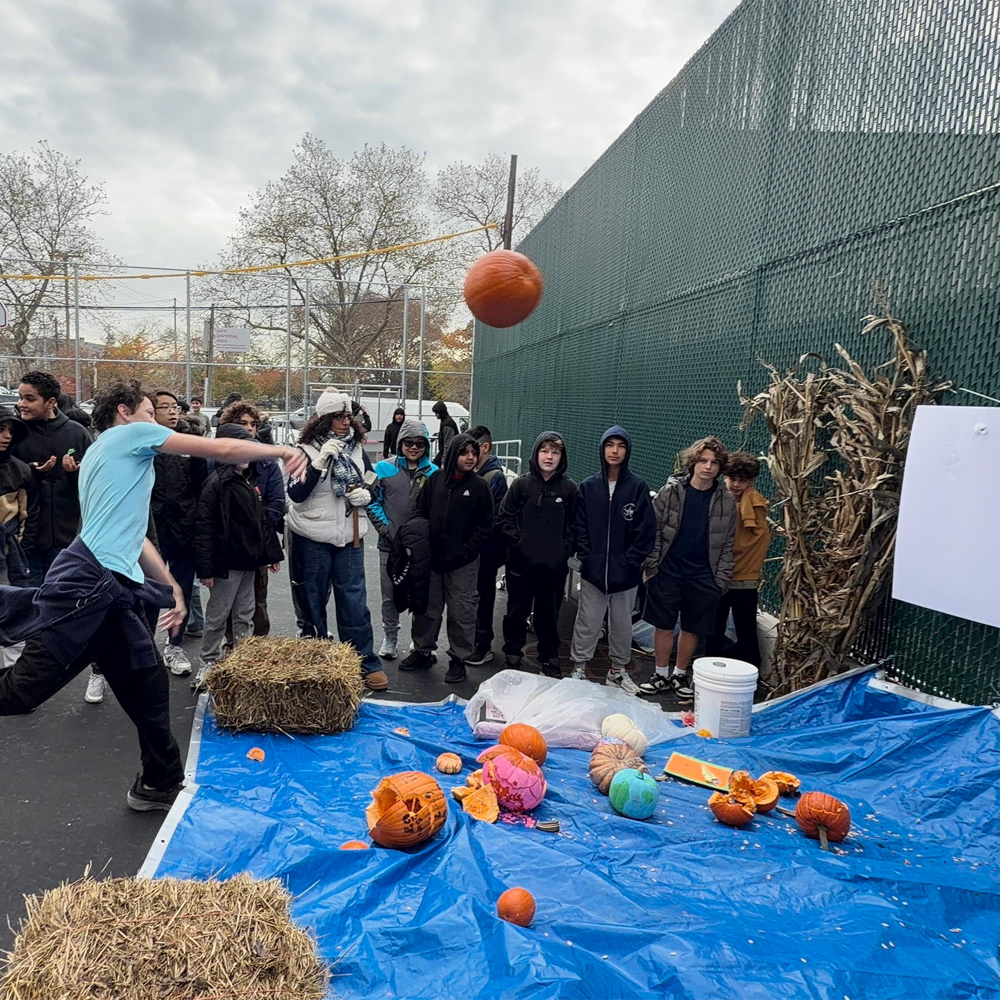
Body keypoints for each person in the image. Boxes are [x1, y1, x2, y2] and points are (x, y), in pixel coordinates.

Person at [0, 378, 308, 811]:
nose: (158, 420)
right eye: (149, 411)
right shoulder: (128, 434)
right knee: (17, 694)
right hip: (89, 584)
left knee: (147, 683)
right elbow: (219, 449)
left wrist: (171, 588)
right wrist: (280, 451)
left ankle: (158, 784)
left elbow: (137, 537)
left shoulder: (103, 457)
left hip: (114, 591)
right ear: (126, 412)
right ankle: (159, 781)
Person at [286, 389, 387, 691]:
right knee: (311, 599)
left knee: (354, 598)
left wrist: (367, 494)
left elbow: (372, 480)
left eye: (348, 416)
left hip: (350, 535)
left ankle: (363, 660)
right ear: (324, 420)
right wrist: (318, 466)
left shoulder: (357, 448)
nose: (346, 422)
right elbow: (295, 493)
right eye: (339, 417)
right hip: (311, 535)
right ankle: (315, 660)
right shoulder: (303, 450)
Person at [637, 437, 736, 701]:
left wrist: (720, 580)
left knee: (692, 628)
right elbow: (653, 529)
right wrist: (652, 565)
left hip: (704, 575)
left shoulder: (726, 501)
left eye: (714, 463)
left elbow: (727, 542)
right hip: (667, 570)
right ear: (693, 462)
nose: (708, 467)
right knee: (663, 624)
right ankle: (660, 673)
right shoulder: (671, 492)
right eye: (703, 461)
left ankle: (680, 674)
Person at [192, 424, 285, 688]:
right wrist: (206, 570)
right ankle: (208, 662)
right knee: (218, 615)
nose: (244, 455)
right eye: (237, 449)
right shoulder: (216, 485)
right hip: (226, 564)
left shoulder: (251, 481)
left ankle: (240, 660)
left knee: (245, 613)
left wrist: (270, 554)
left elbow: (262, 522)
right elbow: (205, 529)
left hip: (250, 562)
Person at [398, 433, 493, 684]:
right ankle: (422, 651)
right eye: (464, 453)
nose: (470, 458)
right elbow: (419, 511)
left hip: (463, 562)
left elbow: (486, 527)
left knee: (462, 610)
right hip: (432, 560)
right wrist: (422, 543)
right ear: (452, 454)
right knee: (427, 607)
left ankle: (458, 659)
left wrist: (465, 552)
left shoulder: (480, 487)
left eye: (473, 453)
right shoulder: (435, 480)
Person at [569, 426, 655, 694]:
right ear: (602, 449)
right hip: (594, 571)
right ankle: (579, 669)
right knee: (588, 620)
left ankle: (617, 671)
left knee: (621, 623)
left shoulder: (637, 487)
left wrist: (631, 561)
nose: (615, 451)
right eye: (610, 445)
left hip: (625, 574)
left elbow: (646, 530)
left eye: (621, 446)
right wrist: (587, 557)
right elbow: (579, 526)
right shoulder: (589, 486)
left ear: (627, 451)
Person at [499, 431, 577, 677]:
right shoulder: (521, 485)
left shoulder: (569, 489)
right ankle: (513, 651)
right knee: (516, 611)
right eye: (545, 451)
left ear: (561, 457)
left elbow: (576, 526)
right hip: (520, 565)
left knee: (548, 614)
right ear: (536, 454)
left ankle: (550, 656)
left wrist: (564, 550)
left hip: (553, 568)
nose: (549, 457)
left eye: (555, 452)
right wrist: (519, 544)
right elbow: (505, 518)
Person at [147, 388, 206, 677]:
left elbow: (201, 486)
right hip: (151, 532)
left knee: (179, 589)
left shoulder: (189, 442)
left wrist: (194, 518)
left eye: (175, 407)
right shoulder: (143, 443)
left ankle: (174, 645)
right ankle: (145, 648)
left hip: (185, 529)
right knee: (148, 592)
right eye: (165, 407)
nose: (173, 412)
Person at [367, 419, 437, 660]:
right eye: (409, 442)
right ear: (400, 443)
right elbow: (372, 502)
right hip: (389, 544)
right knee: (390, 595)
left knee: (421, 595)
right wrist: (387, 529)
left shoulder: (435, 472)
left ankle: (419, 643)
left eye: (419, 443)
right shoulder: (382, 468)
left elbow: (437, 510)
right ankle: (391, 637)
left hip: (422, 549)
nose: (414, 447)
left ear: (426, 445)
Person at [13, 370, 92, 585]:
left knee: (61, 603)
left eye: (30, 399)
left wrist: (74, 473)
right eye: (20, 397)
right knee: (28, 605)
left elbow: (93, 484)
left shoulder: (77, 433)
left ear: (51, 402)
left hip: (67, 540)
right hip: (25, 540)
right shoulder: (14, 433)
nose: (22, 404)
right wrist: (32, 474)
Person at [217, 400, 285, 636]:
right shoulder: (215, 462)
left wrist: (258, 530)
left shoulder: (267, 463)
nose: (249, 429)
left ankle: (255, 649)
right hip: (226, 544)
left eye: (253, 424)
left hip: (257, 543)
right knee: (224, 604)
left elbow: (276, 504)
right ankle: (227, 647)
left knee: (257, 601)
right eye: (242, 423)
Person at [705, 451, 769, 667]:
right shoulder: (723, 499)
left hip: (742, 577)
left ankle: (750, 672)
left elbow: (747, 542)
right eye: (732, 478)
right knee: (715, 626)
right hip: (724, 575)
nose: (736, 485)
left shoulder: (754, 505)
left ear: (751, 481)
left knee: (744, 628)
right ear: (725, 477)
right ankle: (711, 668)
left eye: (742, 480)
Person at [465, 425, 508, 666]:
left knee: (483, 595)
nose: (469, 455)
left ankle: (482, 644)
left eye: (473, 450)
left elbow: (496, 520)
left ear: (485, 448)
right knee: (469, 596)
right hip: (470, 549)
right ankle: (470, 640)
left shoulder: (495, 478)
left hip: (486, 550)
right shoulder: (472, 474)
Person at [0, 404, 33, 586]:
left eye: (10, 431)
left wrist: (21, 546)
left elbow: (28, 515)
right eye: (1, 429)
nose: (7, 436)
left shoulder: (19, 470)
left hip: (10, 552)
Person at [431, 400, 459, 467]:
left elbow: (447, 444)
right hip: (447, 454)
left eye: (436, 413)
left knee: (432, 469)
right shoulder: (446, 421)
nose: (435, 415)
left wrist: (444, 461)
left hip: (447, 454)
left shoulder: (447, 424)